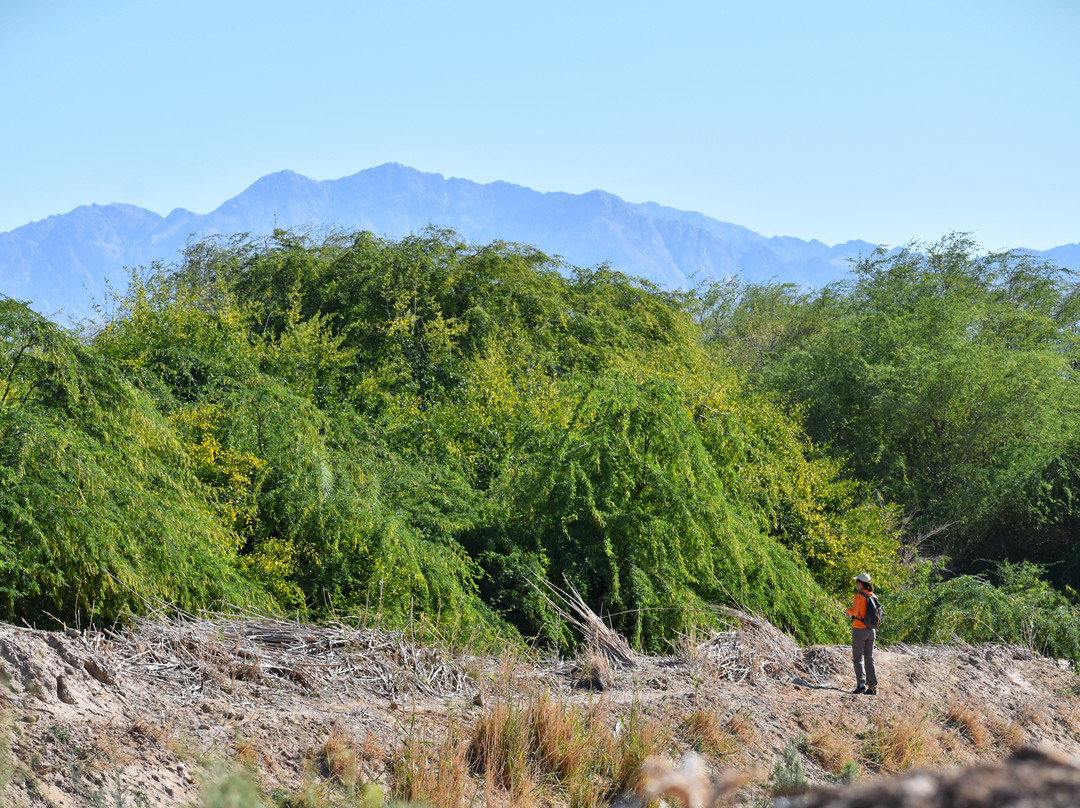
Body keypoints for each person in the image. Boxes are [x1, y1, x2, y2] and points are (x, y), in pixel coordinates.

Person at [845, 572, 878, 695]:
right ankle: (873, 687)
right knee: (869, 658)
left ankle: (861, 685)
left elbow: (855, 611)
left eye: (856, 582)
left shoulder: (859, 596)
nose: (856, 584)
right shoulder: (874, 596)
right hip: (871, 631)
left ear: (860, 583)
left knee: (858, 658)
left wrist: (848, 610)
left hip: (860, 630)